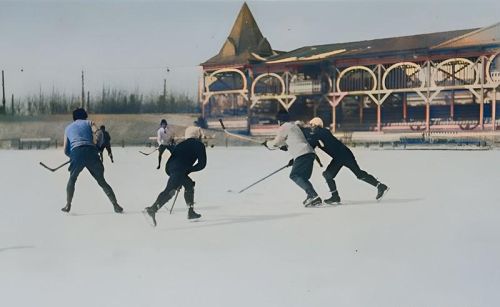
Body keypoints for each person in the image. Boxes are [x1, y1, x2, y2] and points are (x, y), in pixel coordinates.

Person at [307, 117, 388, 204]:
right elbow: (311, 144)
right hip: (339, 157)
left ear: (316, 125)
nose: (310, 127)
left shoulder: (322, 132)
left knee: (359, 174)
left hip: (345, 155)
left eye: (311, 125)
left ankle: (380, 186)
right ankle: (335, 197)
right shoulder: (317, 135)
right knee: (327, 175)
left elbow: (314, 136)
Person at [61, 108, 123, 213]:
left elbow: (66, 149)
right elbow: (99, 134)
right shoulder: (89, 123)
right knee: (102, 181)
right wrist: (97, 147)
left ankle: (68, 205)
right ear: (85, 116)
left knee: (72, 179)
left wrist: (73, 156)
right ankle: (115, 205)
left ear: (74, 117)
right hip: (91, 152)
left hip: (76, 153)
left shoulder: (68, 128)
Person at [144, 126, 207, 226]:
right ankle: (153, 209)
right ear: (197, 135)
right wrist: (188, 170)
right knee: (170, 190)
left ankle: (191, 212)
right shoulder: (199, 145)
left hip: (169, 168)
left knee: (189, 185)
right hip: (179, 170)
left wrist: (183, 172)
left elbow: (175, 157)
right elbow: (202, 164)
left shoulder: (181, 144)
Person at [265, 117, 322, 207]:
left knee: (294, 175)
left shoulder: (285, 126)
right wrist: (286, 147)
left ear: (280, 121)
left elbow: (276, 142)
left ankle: (313, 195)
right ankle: (311, 196)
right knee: (303, 178)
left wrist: (267, 144)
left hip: (302, 154)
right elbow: (296, 141)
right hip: (309, 154)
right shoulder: (294, 127)